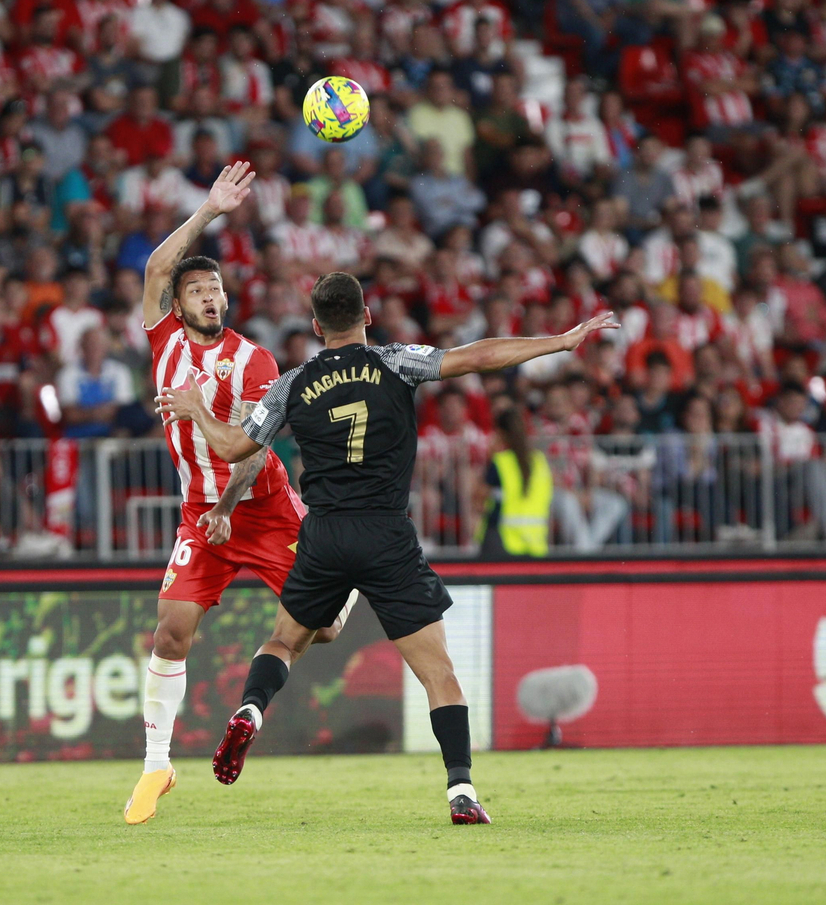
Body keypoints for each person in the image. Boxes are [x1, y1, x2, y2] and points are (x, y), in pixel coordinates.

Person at [159, 270, 618, 824]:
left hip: (323, 535)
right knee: (438, 673)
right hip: (386, 535)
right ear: (367, 318)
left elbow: (234, 446)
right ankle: (461, 792)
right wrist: (560, 341)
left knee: (283, 641)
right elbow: (476, 357)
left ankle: (252, 711)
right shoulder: (394, 361)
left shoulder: (292, 383)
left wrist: (197, 410)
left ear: (314, 326)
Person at [123, 162, 348, 825]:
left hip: (261, 507)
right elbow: (153, 270)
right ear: (179, 302)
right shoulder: (162, 341)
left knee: (329, 628)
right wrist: (208, 212)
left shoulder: (254, 361)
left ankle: (337, 556)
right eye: (197, 290)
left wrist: (225, 502)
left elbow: (255, 449)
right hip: (200, 517)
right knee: (170, 631)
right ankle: (156, 765)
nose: (209, 298)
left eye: (216, 288)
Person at [477, 407, 552, 557]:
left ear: (501, 433)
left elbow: (479, 499)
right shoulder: (540, 462)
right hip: (536, 544)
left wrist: (490, 455)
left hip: (503, 541)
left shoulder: (500, 462)